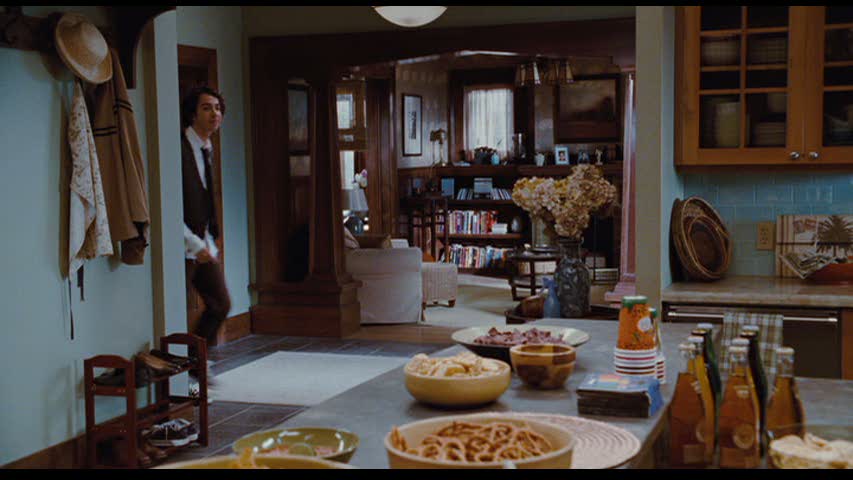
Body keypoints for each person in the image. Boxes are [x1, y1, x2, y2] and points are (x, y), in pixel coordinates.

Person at [181, 86, 231, 347]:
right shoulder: (179, 149)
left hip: (204, 242)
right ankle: (187, 378)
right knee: (175, 311)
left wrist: (209, 240)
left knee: (220, 304)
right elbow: (169, 203)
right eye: (206, 107)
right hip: (184, 244)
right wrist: (193, 243)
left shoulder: (206, 149)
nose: (215, 113)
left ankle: (194, 368)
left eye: (218, 108)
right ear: (192, 114)